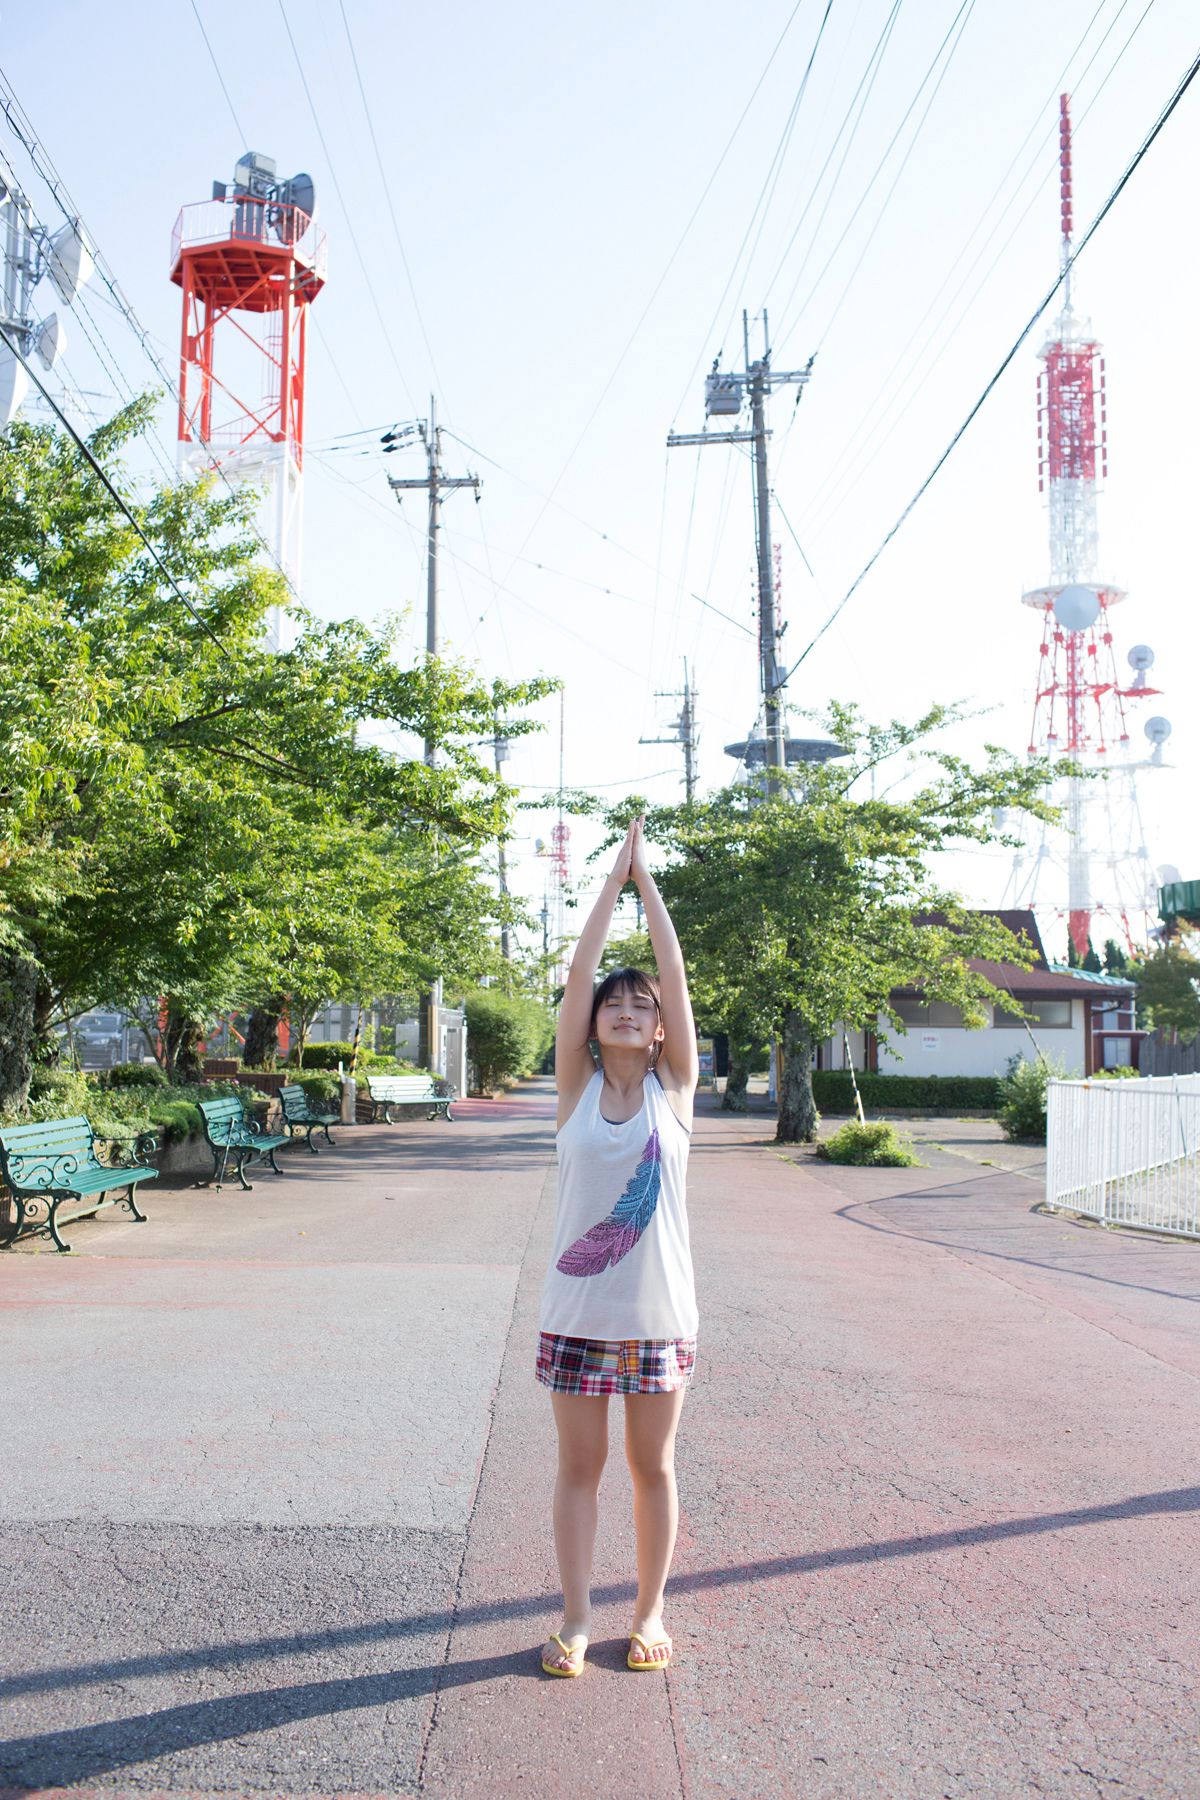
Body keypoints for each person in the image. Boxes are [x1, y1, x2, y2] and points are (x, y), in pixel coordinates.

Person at [538, 814, 699, 1678]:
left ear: (664, 1028)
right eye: (616, 1004)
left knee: (651, 1466)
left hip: (658, 1313)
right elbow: (576, 978)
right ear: (594, 1025)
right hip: (578, 1309)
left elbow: (672, 974)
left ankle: (649, 1613)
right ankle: (573, 1620)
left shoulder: (677, 1092)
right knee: (580, 1466)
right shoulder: (575, 1088)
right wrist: (610, 881)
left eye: (643, 1006)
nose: (630, 1010)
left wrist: (650, 886)